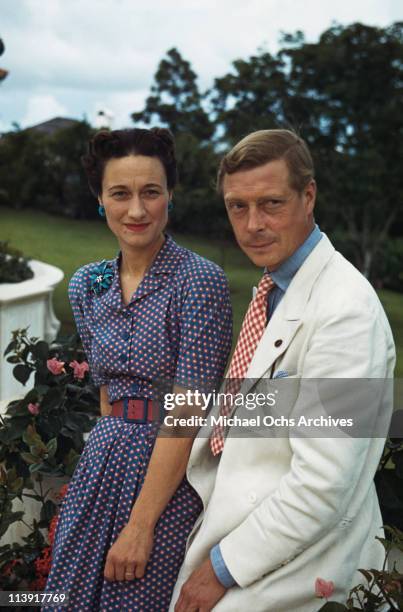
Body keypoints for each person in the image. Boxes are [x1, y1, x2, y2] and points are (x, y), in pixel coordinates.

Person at [171, 129, 396, 612]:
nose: (253, 224)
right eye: (237, 206)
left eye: (271, 203)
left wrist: (221, 568)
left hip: (298, 567)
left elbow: (323, 484)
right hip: (246, 533)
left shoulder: (346, 312)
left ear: (308, 196)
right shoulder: (274, 289)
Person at [44, 127, 233, 611]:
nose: (136, 210)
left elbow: (190, 411)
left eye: (151, 192)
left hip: (167, 478)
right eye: (119, 194)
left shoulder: (199, 281)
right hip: (102, 464)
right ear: (99, 200)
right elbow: (108, 396)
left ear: (170, 195)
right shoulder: (89, 284)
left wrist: (140, 524)